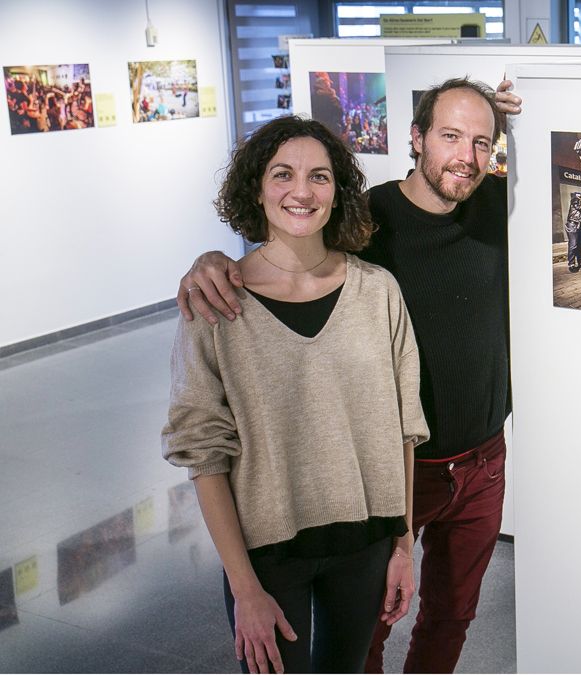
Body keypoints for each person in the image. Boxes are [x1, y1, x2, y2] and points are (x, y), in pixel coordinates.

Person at [176, 77, 522, 675]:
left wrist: (531, 109)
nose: (465, 156)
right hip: (392, 470)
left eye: (480, 142)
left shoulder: (502, 203)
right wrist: (212, 261)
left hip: (482, 459)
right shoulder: (368, 221)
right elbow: (290, 242)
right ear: (416, 138)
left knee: (452, 615)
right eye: (449, 136)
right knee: (369, 632)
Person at [163, 115, 429, 674]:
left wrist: (404, 548)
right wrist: (244, 589)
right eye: (283, 174)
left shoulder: (377, 292)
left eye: (320, 177)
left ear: (338, 194)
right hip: (268, 557)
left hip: (366, 543)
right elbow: (204, 457)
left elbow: (405, 427)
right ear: (257, 189)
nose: (302, 191)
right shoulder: (215, 305)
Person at [563, 195, 581, 272]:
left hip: (580, 226)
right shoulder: (576, 199)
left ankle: (580, 262)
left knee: (579, 245)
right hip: (573, 224)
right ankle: (571, 264)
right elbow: (577, 206)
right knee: (573, 245)